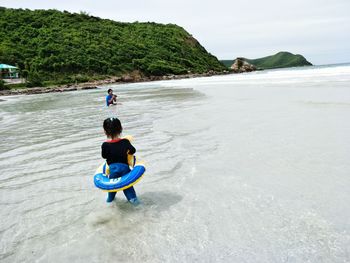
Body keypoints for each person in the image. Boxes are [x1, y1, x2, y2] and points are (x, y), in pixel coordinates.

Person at [101, 117, 139, 204]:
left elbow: (104, 156)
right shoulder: (125, 142)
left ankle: (110, 202)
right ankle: (135, 203)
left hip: (113, 171)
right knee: (128, 189)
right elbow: (133, 150)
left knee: (112, 190)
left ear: (105, 131)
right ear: (121, 129)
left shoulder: (105, 145)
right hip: (125, 170)